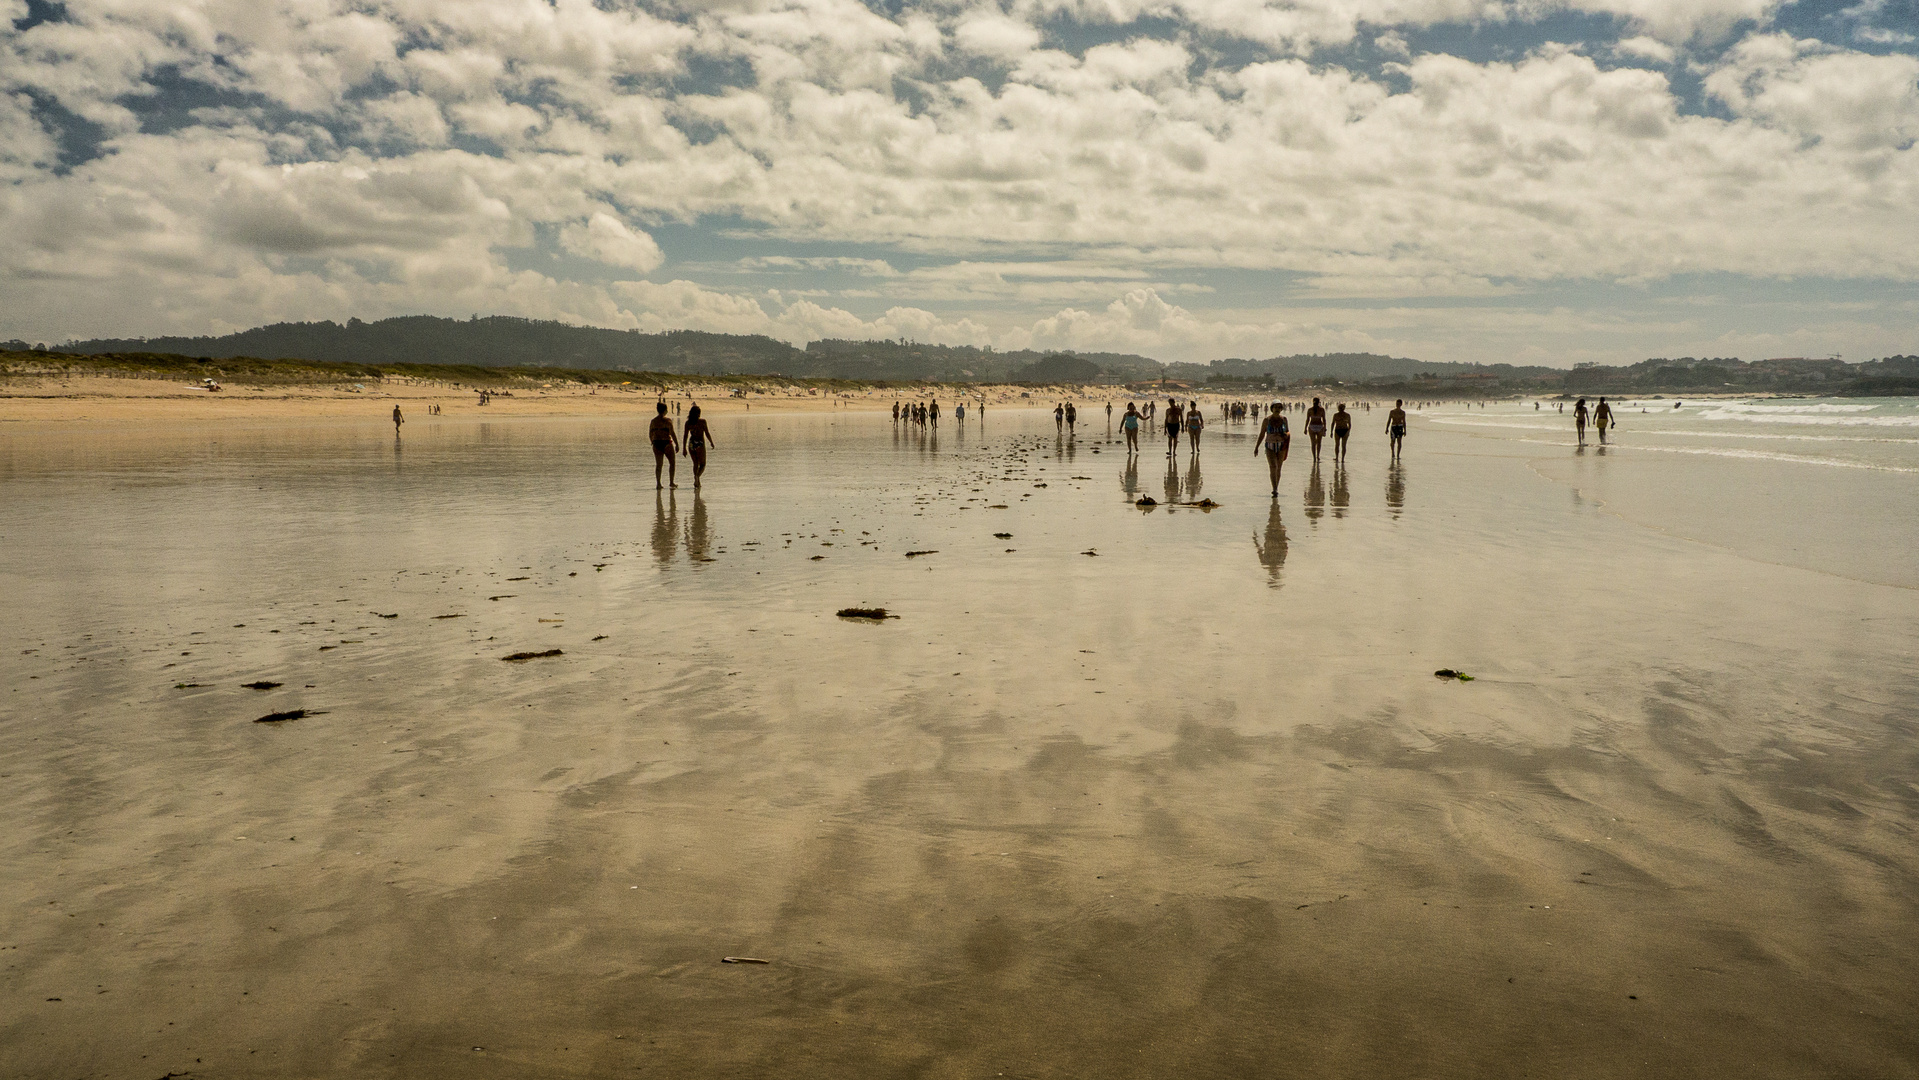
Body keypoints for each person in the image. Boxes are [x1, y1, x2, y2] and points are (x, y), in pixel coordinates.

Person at [1255, 402, 1289, 496]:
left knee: (1278, 468)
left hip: (1281, 446)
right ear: (1272, 408)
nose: (1277, 409)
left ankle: (1276, 487)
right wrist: (1257, 447)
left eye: (1279, 407)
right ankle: (1274, 488)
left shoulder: (1284, 419)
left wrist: (1285, 435)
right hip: (1270, 446)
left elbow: (1287, 431)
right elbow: (1262, 434)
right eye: (1275, 407)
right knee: (1273, 466)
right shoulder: (1267, 420)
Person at [682, 404, 714, 488]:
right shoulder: (702, 422)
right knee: (703, 464)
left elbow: (685, 436)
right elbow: (707, 433)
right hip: (700, 443)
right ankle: (697, 477)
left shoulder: (688, 423)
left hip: (691, 443)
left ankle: (697, 481)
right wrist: (711, 442)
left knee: (695, 463)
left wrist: (684, 448)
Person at [649, 401, 679, 488]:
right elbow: (672, 433)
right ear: (665, 410)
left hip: (657, 443)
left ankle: (658, 483)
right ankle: (671, 482)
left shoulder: (653, 421)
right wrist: (677, 444)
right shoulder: (668, 420)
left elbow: (650, 433)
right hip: (666, 443)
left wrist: (652, 442)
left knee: (659, 465)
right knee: (672, 463)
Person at [1305, 397, 1327, 463]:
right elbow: (1324, 420)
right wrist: (1325, 428)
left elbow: (1308, 420)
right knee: (1319, 443)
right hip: (1319, 426)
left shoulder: (1310, 410)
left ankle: (1314, 457)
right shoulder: (1322, 410)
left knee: (1313, 443)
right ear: (1319, 402)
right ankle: (1318, 456)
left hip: (1312, 426)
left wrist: (1305, 428)